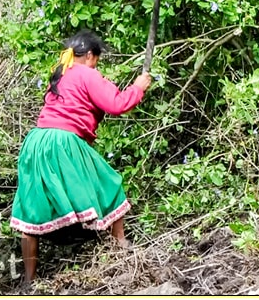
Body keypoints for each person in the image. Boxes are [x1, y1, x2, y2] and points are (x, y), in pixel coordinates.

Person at [10, 30, 152, 284]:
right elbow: (117, 104)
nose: (97, 65)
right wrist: (138, 88)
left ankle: (29, 281)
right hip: (63, 142)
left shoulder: (60, 73)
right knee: (109, 183)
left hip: (36, 142)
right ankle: (121, 246)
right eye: (96, 59)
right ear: (88, 55)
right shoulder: (87, 73)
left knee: (31, 209)